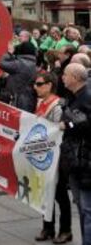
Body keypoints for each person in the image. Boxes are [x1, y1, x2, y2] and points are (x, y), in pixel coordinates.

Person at [34, 72, 72, 243]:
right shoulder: (41, 102)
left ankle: (66, 230)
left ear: (49, 85)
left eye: (39, 84)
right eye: (35, 84)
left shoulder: (57, 106)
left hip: (57, 158)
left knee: (60, 195)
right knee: (45, 194)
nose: (36, 87)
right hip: (43, 156)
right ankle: (47, 228)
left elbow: (56, 131)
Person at [60, 63, 91, 245]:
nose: (62, 77)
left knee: (87, 210)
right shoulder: (73, 96)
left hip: (85, 162)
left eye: (65, 74)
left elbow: (86, 125)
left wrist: (69, 124)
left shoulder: (86, 97)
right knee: (82, 208)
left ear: (75, 78)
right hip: (75, 161)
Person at [0, 40, 37, 112]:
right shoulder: (34, 64)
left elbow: (1, 63)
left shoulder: (19, 64)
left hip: (15, 100)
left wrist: (9, 53)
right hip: (28, 100)